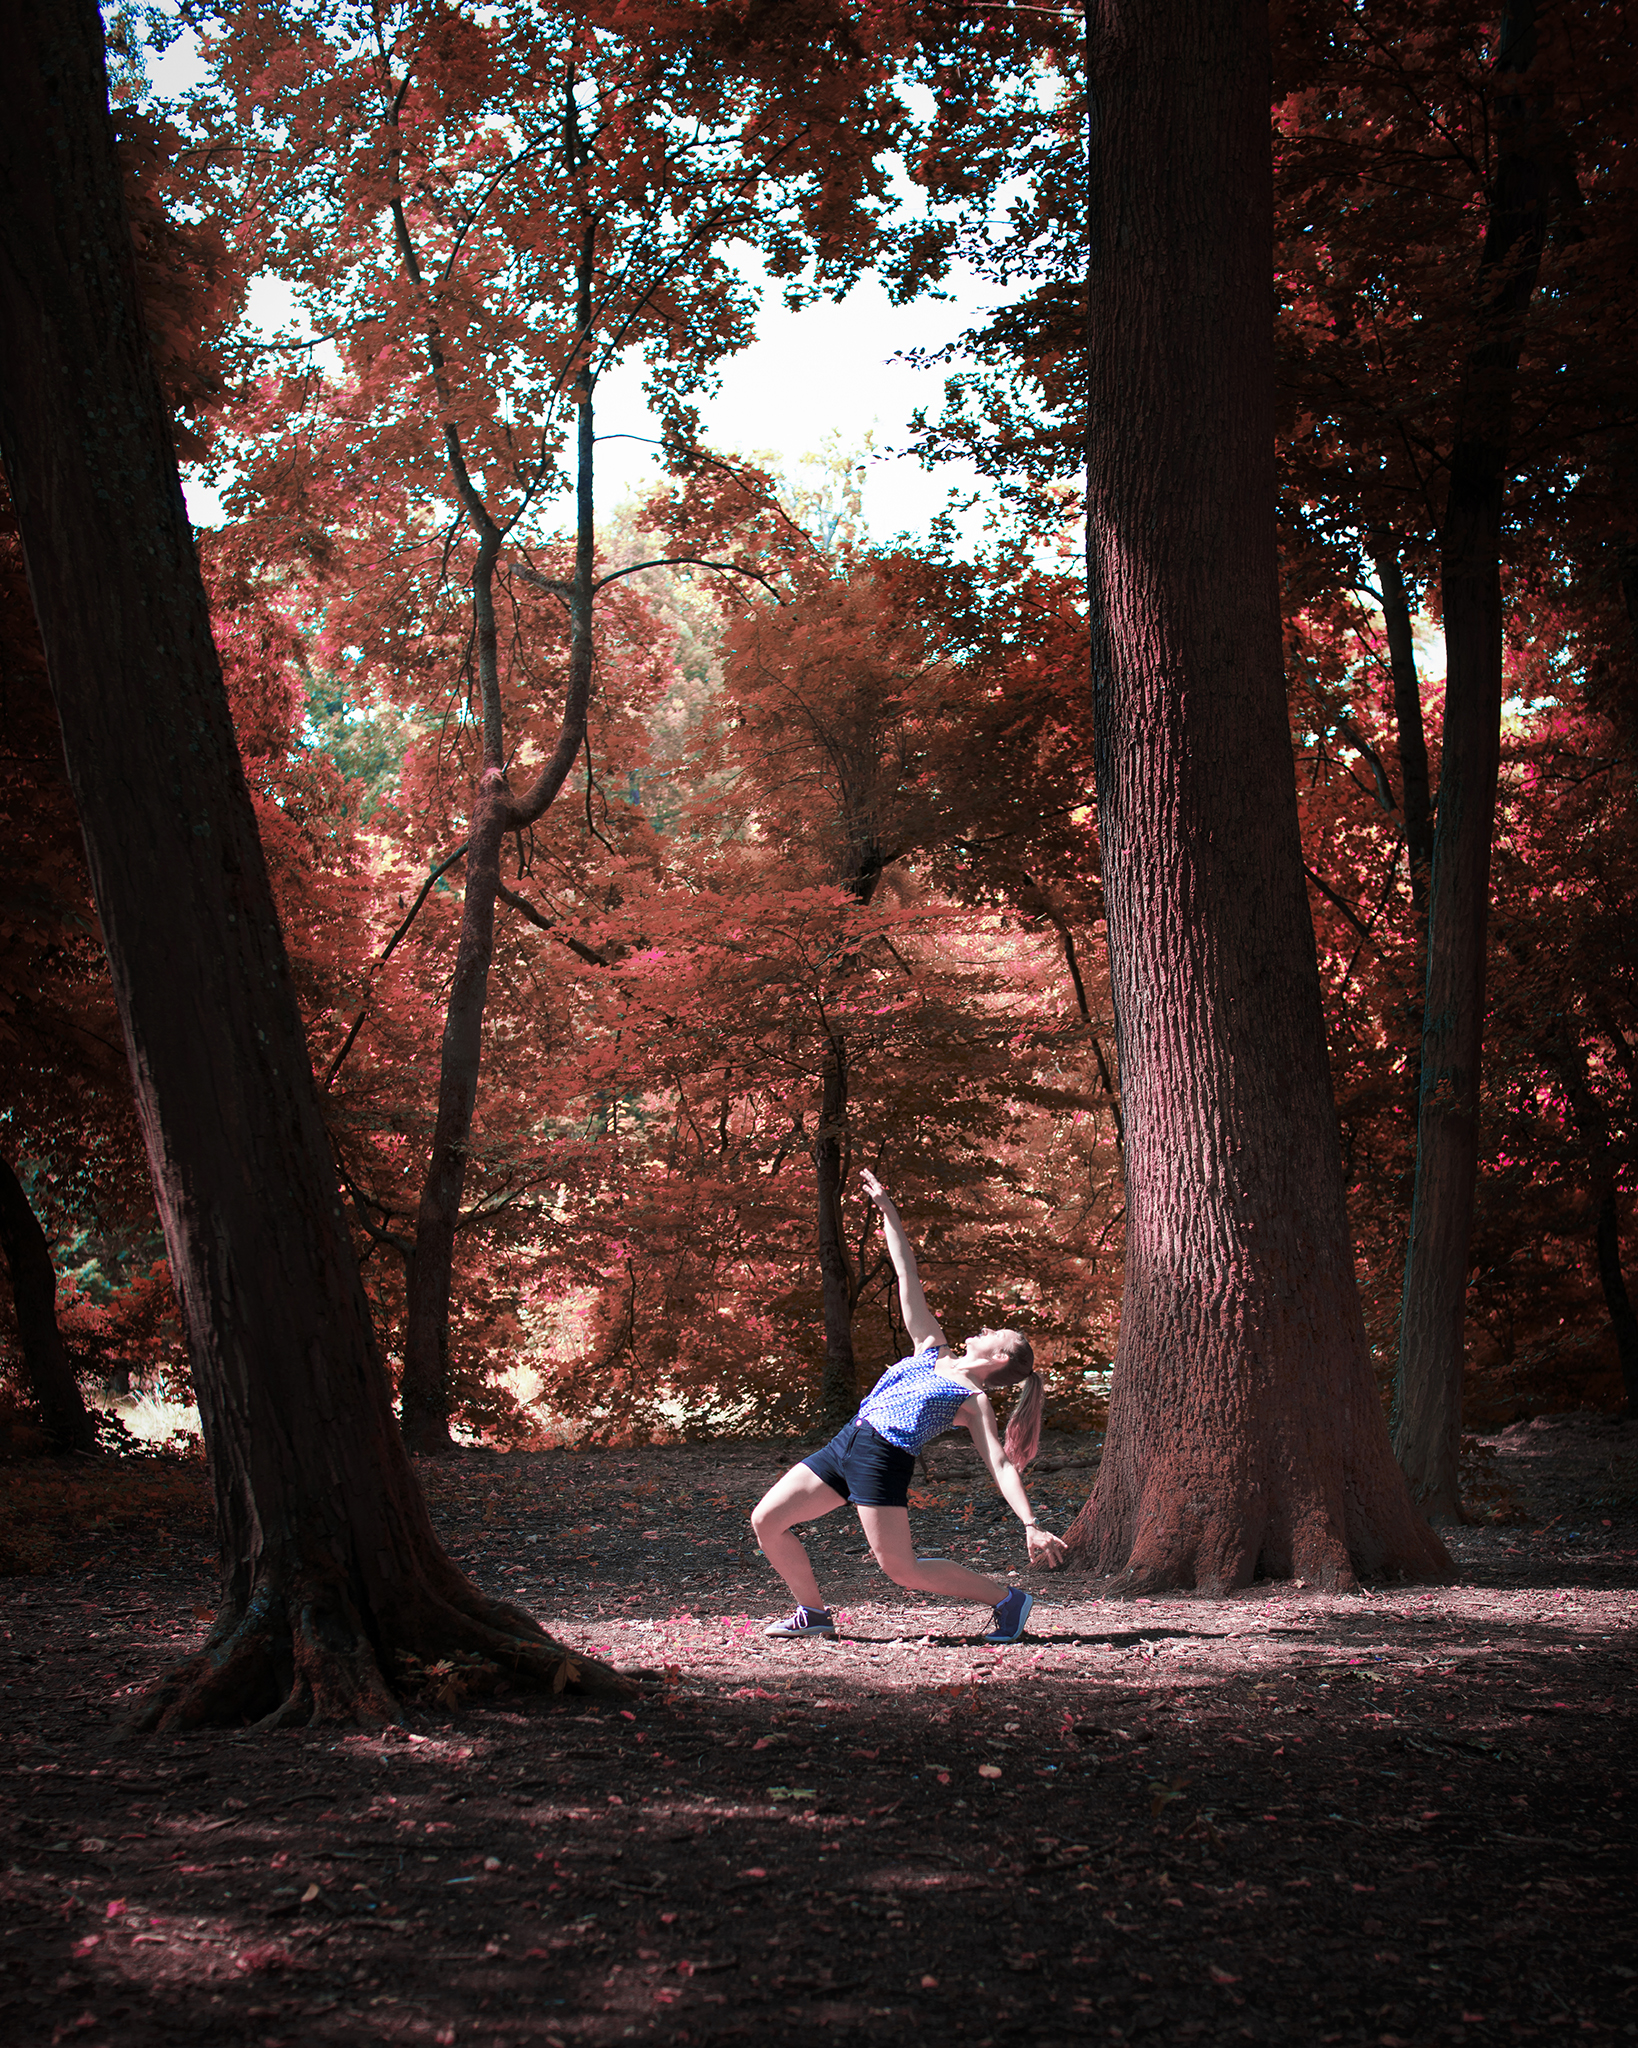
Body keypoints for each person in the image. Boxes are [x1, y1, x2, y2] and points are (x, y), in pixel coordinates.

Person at [750, 1168, 1067, 1644]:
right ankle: (812, 1613)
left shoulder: (971, 1399)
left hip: (883, 1458)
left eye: (992, 1332)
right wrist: (887, 1211)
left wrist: (1030, 1523)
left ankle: (1009, 1600)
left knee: (901, 1569)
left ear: (999, 1357)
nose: (981, 1328)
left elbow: (999, 1463)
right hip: (848, 1441)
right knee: (767, 1520)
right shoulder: (930, 1347)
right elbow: (906, 1272)